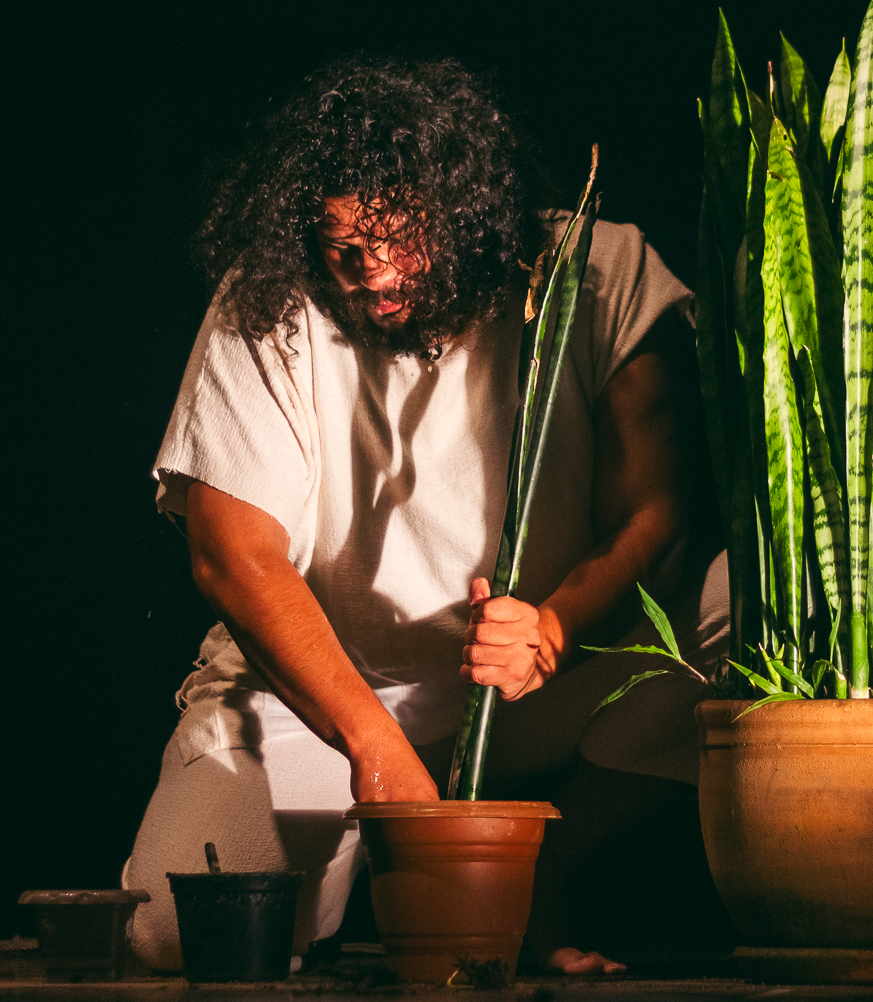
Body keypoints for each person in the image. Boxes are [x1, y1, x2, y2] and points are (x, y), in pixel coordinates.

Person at [122, 56, 728, 976]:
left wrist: (554, 628)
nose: (375, 275)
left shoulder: (596, 268)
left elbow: (655, 514)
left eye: (403, 240)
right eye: (345, 252)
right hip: (324, 695)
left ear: (466, 211)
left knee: (739, 605)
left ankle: (543, 876)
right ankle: (362, 883)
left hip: (533, 682)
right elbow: (231, 555)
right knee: (179, 936)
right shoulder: (269, 301)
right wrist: (372, 745)